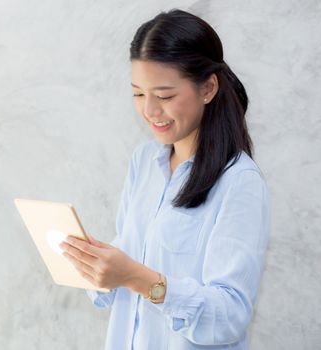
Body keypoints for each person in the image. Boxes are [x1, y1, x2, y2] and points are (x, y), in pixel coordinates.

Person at [59, 8, 271, 350]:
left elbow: (230, 315)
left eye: (165, 96)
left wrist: (135, 277)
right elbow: (131, 254)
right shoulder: (144, 162)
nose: (149, 111)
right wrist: (97, 265)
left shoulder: (240, 182)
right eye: (139, 94)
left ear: (208, 88)